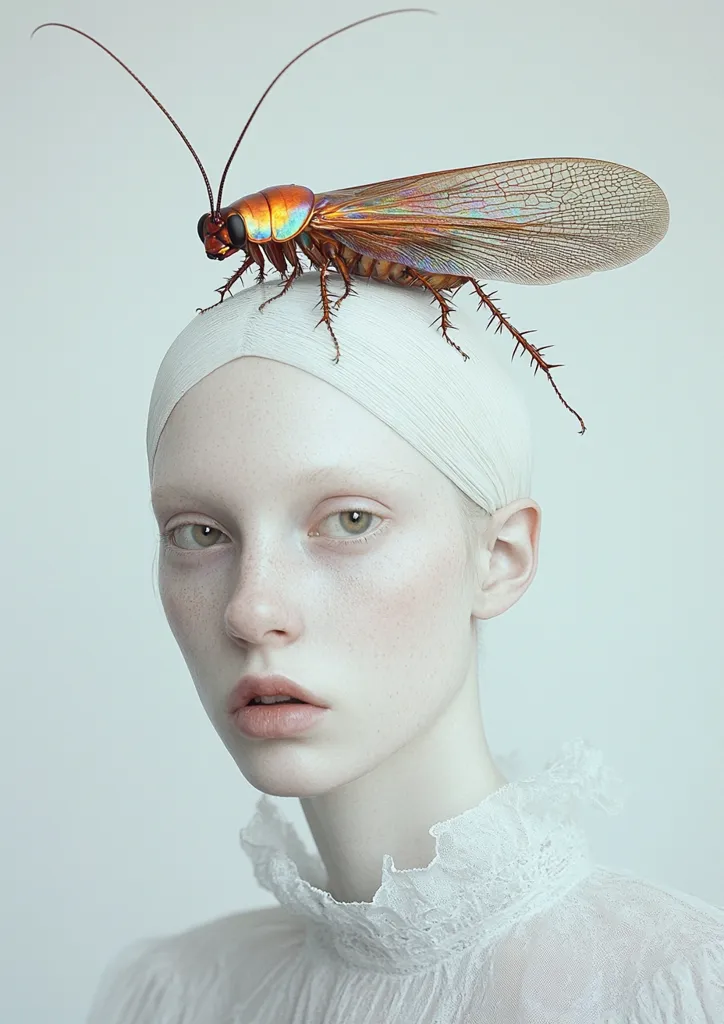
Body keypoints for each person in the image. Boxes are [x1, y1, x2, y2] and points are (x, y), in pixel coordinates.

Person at [86, 274, 724, 1023]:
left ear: (500, 558)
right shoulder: (177, 997)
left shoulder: (669, 991)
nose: (252, 609)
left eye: (350, 520)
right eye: (199, 532)